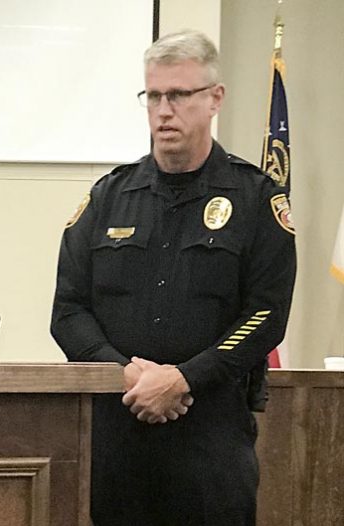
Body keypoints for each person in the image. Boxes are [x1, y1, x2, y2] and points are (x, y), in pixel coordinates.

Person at [51, 30, 296, 526]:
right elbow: (69, 311)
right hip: (117, 439)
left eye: (179, 95)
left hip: (211, 441)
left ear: (214, 99)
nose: (164, 110)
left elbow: (266, 316)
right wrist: (127, 375)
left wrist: (184, 377)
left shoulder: (255, 200)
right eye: (154, 96)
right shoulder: (109, 197)